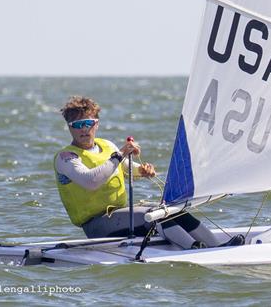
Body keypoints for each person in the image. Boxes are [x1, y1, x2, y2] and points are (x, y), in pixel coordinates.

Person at [54, 95, 244, 249]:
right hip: (96, 225)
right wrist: (120, 154)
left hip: (120, 214)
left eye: (88, 123)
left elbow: (127, 169)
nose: (84, 129)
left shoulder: (107, 146)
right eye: (77, 125)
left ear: (97, 124)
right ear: (69, 127)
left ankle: (217, 246)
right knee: (154, 214)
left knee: (172, 209)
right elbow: (91, 181)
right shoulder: (66, 157)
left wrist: (143, 171)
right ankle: (194, 249)